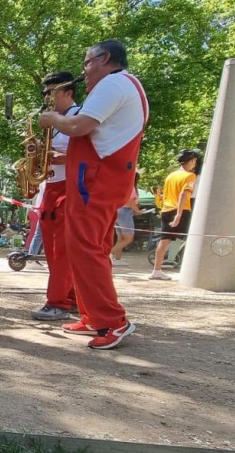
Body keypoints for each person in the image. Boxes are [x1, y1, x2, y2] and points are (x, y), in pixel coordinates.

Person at [38, 39, 148, 350]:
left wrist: (52, 120)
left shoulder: (113, 84)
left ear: (106, 59)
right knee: (90, 247)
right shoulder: (124, 85)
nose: (84, 70)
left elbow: (79, 125)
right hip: (99, 176)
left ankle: (113, 321)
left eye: (87, 62)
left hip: (96, 178)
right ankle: (93, 315)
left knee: (84, 246)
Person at [31, 72, 81, 321]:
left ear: (68, 93)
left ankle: (58, 302)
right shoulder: (56, 122)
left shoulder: (78, 117)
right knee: (51, 248)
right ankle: (69, 298)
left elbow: (85, 152)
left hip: (69, 186)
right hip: (51, 186)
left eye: (51, 92)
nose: (46, 98)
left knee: (61, 248)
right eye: (45, 93)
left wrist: (54, 157)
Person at [150, 149, 198, 280]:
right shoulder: (190, 176)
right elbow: (184, 194)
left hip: (166, 209)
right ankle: (191, 267)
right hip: (180, 209)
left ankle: (157, 270)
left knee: (164, 240)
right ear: (192, 160)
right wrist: (179, 214)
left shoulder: (171, 176)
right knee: (194, 236)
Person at [111, 173, 141, 266]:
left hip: (118, 211)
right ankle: (109, 253)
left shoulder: (121, 184)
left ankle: (117, 259)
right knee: (128, 238)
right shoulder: (130, 186)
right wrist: (138, 211)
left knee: (120, 237)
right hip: (125, 212)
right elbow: (129, 200)